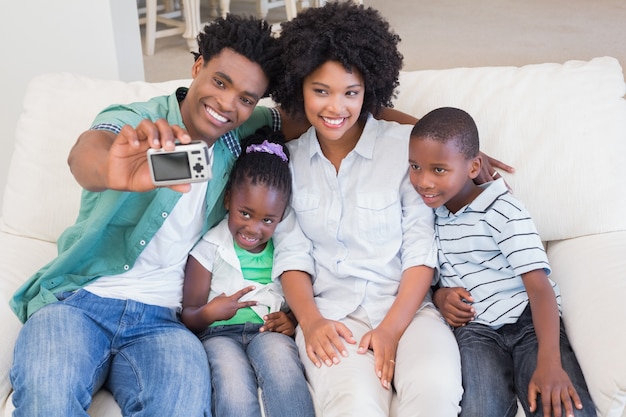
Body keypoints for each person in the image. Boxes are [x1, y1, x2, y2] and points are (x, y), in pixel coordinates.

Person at [8, 14, 286, 417]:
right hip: (80, 301)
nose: (228, 104)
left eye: (246, 98)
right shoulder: (139, 122)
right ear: (197, 66)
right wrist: (111, 170)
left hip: (162, 322)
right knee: (46, 398)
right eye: (220, 82)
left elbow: (314, 117)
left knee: (182, 408)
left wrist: (398, 121)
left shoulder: (236, 133)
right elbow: (86, 152)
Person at [270, 3, 463, 416]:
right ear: (297, 87)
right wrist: (311, 322)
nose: (335, 108)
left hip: (408, 311)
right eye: (320, 91)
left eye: (350, 93)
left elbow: (419, 249)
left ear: (369, 89)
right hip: (330, 318)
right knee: (352, 405)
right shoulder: (286, 162)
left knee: (435, 392)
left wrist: (391, 330)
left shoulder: (404, 148)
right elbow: (291, 254)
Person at [408, 107, 596, 417]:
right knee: (480, 410)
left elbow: (539, 288)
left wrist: (550, 361)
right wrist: (440, 297)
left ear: (473, 167)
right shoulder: (427, 214)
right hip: (475, 330)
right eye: (415, 166)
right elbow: (433, 276)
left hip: (528, 323)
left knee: (563, 408)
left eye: (439, 169)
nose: (423, 181)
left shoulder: (503, 210)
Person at [181, 127, 315, 417]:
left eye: (268, 219)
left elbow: (296, 299)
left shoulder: (285, 249)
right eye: (245, 213)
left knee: (285, 373)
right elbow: (189, 315)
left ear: (281, 217)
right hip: (219, 336)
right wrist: (211, 311)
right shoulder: (209, 247)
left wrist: (290, 320)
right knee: (232, 388)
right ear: (228, 200)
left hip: (268, 332)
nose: (254, 228)